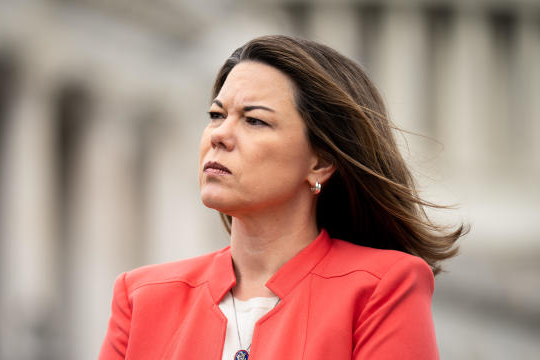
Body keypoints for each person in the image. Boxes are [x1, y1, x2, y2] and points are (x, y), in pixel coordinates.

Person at [98, 35, 465, 360]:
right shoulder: (140, 297)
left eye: (254, 120)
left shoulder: (381, 287)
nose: (219, 135)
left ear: (320, 162)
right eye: (216, 115)